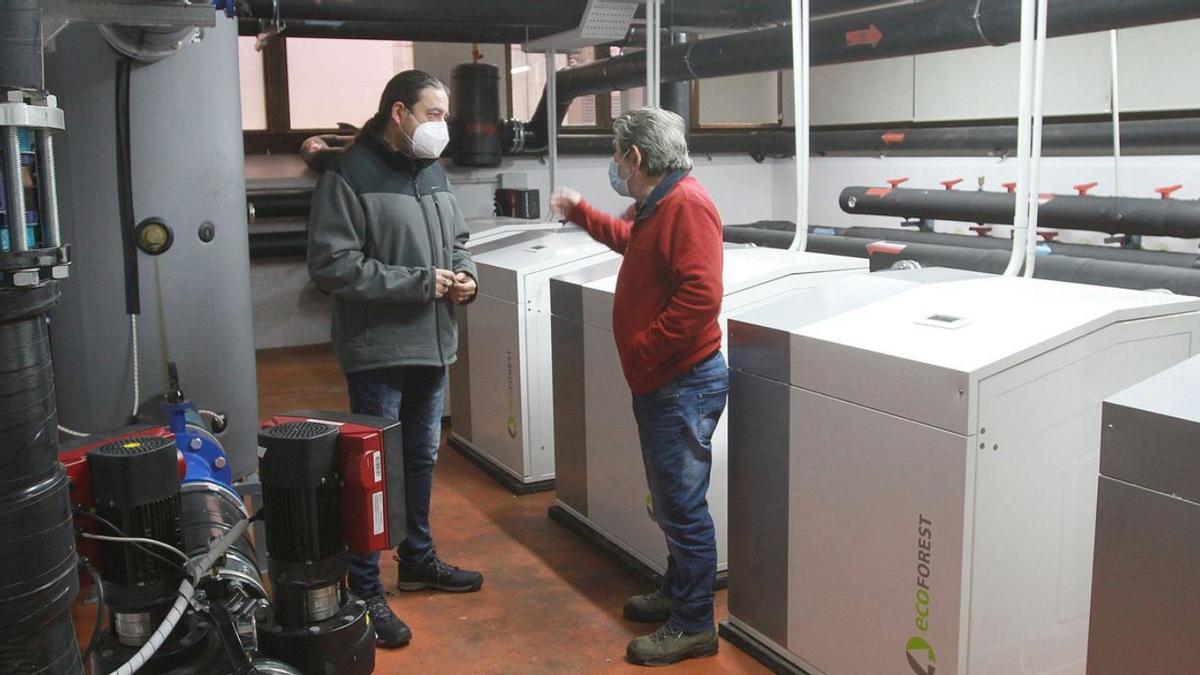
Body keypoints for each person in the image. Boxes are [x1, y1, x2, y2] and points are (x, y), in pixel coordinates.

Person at [307, 70, 483, 649]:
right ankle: (365, 589)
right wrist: (419, 284)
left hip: (432, 345)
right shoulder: (348, 173)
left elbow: (458, 241)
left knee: (421, 459)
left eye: (445, 116)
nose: (442, 127)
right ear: (400, 113)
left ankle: (418, 560)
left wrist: (466, 279)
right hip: (378, 349)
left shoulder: (430, 171)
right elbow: (333, 265)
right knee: (372, 472)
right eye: (434, 114)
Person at [551, 107, 727, 667]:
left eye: (615, 153)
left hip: (681, 381)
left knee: (682, 506)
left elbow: (701, 297)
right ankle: (679, 592)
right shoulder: (658, 205)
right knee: (671, 500)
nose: (614, 164)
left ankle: (695, 624)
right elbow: (633, 243)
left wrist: (644, 349)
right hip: (663, 381)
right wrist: (583, 213)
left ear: (634, 157)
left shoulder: (686, 205)